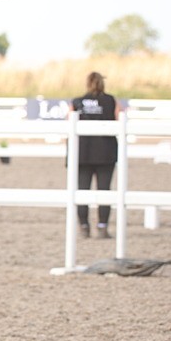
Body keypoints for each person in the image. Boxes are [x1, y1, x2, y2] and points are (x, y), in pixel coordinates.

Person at [70, 71, 120, 239]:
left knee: (81, 191)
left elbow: (68, 123)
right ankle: (102, 226)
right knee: (104, 190)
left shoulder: (77, 102)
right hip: (105, 152)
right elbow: (118, 119)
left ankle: (84, 226)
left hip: (82, 152)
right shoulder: (111, 101)